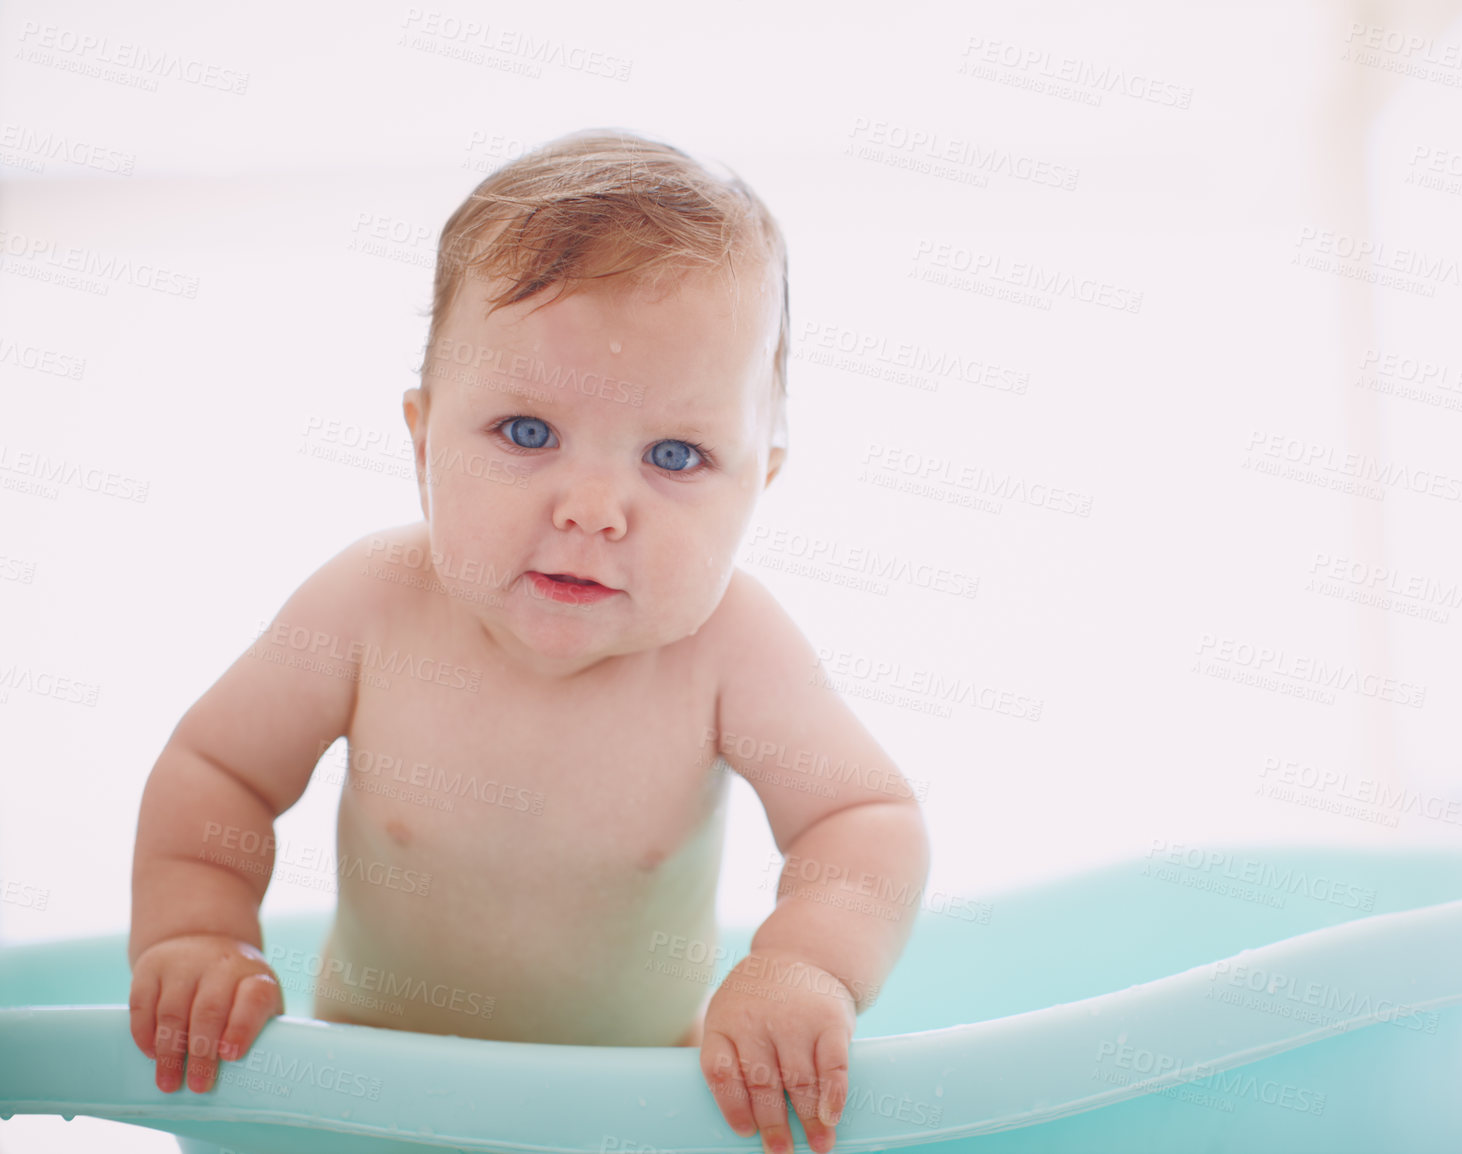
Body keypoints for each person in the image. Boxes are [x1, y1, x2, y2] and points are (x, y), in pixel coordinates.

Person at [127, 127, 931, 1154]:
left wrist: (802, 965)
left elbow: (865, 817)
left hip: (634, 1116)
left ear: (757, 485)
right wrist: (200, 932)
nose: (594, 507)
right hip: (361, 1099)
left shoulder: (732, 648)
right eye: (526, 432)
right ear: (424, 440)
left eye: (675, 454)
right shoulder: (369, 604)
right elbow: (220, 767)